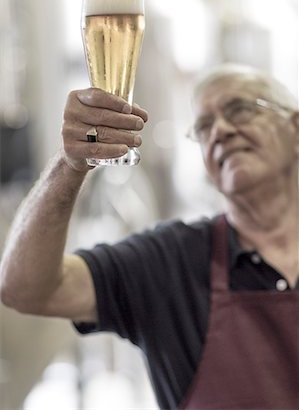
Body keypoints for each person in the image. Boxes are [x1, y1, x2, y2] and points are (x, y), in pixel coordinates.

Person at [0, 64, 298, 410]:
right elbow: (26, 289)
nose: (221, 131)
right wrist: (70, 164)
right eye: (204, 127)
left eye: (242, 110)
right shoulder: (170, 263)